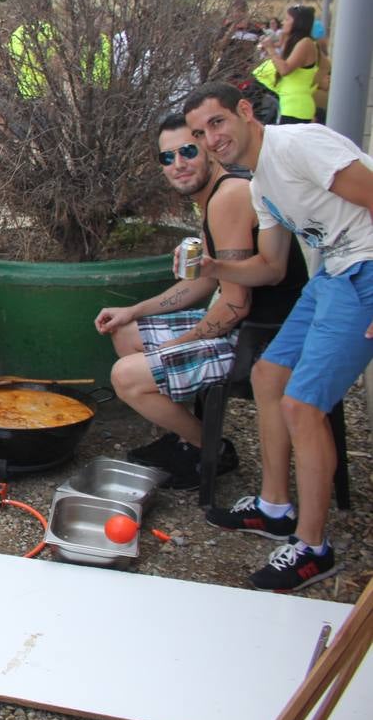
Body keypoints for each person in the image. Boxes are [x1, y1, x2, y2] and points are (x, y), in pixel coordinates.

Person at [183, 81, 373, 592]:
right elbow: (269, 268)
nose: (211, 138)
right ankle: (274, 507)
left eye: (217, 122)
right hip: (332, 274)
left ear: (245, 111)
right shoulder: (260, 183)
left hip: (365, 272)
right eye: (200, 132)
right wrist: (214, 266)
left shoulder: (300, 145)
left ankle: (313, 549)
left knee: (303, 406)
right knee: (269, 375)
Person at [93, 114, 306, 488]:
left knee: (126, 377)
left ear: (208, 149)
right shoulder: (213, 197)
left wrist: (170, 349)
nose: (179, 164)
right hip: (243, 325)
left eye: (188, 150)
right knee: (126, 332)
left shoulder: (230, 197)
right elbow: (204, 284)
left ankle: (210, 450)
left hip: (262, 343)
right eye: (167, 157)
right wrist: (134, 310)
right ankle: (187, 439)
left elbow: (235, 306)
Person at [256, 4, 318, 124]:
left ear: (298, 22)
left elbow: (285, 70)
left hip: (296, 107)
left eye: (287, 19)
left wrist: (270, 49)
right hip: (288, 104)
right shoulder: (295, 42)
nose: (283, 22)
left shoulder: (306, 43)